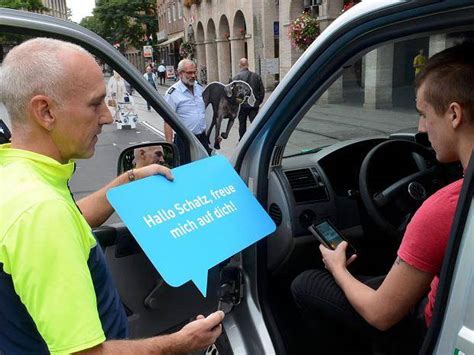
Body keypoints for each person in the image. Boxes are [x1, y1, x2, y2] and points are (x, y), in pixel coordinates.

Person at [0, 38, 224, 354]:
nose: (107, 116)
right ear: (45, 111)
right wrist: (182, 342)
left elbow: (71, 219)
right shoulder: (41, 213)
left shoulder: (16, 175)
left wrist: (128, 179)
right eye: (95, 104)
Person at [291, 42, 474, 353]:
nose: (420, 127)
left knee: (305, 283)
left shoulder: (444, 208)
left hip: (427, 330)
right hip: (444, 299)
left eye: (423, 113)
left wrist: (336, 266)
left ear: (454, 114)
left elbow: (380, 314)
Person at [164, 58, 212, 159]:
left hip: (202, 139)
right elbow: (167, 121)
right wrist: (169, 148)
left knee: (204, 169)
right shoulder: (172, 93)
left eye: (194, 72)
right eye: (189, 73)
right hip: (184, 141)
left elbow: (206, 113)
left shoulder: (199, 88)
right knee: (187, 169)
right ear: (180, 73)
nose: (193, 76)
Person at [232, 58, 265, 140]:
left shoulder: (236, 78)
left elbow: (232, 94)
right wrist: (258, 101)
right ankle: (256, 139)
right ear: (248, 65)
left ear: (240, 65)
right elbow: (262, 91)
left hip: (241, 106)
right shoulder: (256, 76)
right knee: (254, 124)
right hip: (254, 105)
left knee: (242, 124)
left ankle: (243, 140)